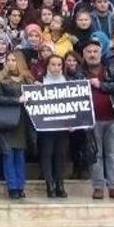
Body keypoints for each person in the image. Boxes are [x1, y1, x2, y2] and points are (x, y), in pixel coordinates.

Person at [82, 39, 114, 200]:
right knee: (96, 155)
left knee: (113, 154)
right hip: (91, 120)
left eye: (95, 51)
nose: (92, 55)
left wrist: (101, 85)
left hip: (113, 118)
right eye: (89, 52)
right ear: (84, 54)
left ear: (101, 53)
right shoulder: (80, 72)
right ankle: (98, 187)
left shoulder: (112, 67)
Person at [0, 50, 34, 200]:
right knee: (8, 155)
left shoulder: (27, 79)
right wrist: (16, 100)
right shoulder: (1, 79)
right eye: (8, 60)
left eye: (13, 60)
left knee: (20, 155)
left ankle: (20, 185)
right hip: (6, 120)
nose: (10, 63)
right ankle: (12, 187)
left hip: (22, 121)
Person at [37, 55, 70, 198]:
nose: (56, 68)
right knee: (47, 154)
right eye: (53, 64)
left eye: (59, 65)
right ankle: (49, 184)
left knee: (60, 155)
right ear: (47, 66)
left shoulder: (68, 82)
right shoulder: (41, 82)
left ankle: (60, 184)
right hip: (46, 127)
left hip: (63, 126)